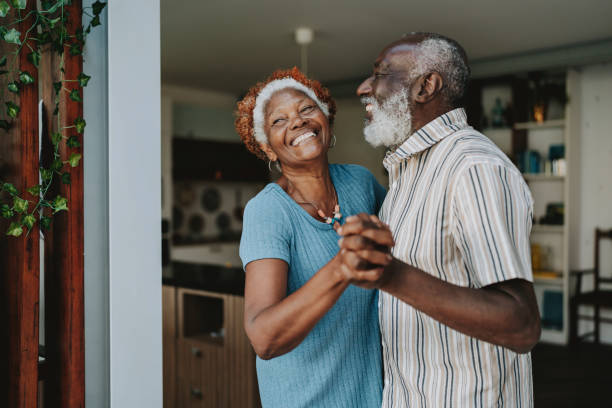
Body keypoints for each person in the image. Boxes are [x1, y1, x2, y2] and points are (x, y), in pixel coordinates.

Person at [336, 33, 541, 407]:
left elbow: (521, 324)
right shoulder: (406, 174)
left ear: (425, 86)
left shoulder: (472, 167)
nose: (364, 87)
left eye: (380, 74)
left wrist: (390, 274)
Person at [235, 67, 388, 408]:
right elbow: (264, 338)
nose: (298, 121)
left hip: (372, 397)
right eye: (279, 121)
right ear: (268, 149)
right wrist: (342, 266)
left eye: (307, 109)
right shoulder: (267, 212)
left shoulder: (360, 184)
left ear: (327, 120)